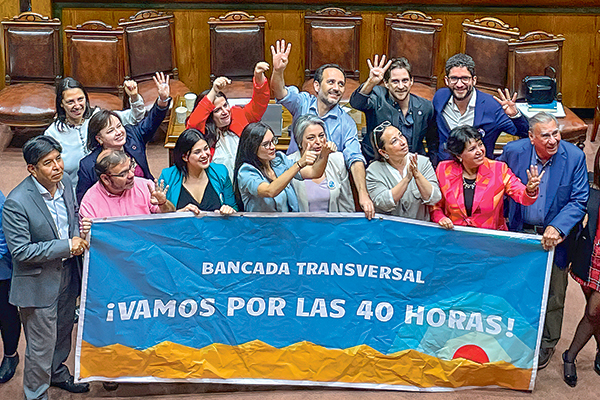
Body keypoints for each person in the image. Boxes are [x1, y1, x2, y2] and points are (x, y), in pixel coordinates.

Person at [497, 112, 589, 369]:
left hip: (555, 241)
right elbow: (498, 186)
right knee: (516, 287)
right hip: (519, 233)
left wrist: (558, 228)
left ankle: (547, 343)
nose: (553, 140)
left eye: (556, 133)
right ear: (531, 137)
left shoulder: (574, 157)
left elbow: (579, 199)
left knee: (554, 295)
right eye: (545, 135)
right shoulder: (514, 152)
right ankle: (513, 335)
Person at [2, 136, 90, 399]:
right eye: (48, 163)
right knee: (40, 346)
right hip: (37, 282)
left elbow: (71, 219)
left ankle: (57, 373)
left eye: (58, 159)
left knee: (64, 332)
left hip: (67, 273)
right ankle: (36, 393)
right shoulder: (17, 202)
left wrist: (78, 235)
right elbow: (21, 252)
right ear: (32, 168)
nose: (57, 167)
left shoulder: (64, 184)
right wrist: (67, 245)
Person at [270, 39, 375, 219]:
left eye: (341, 84)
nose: (337, 88)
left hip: (328, 186)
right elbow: (279, 92)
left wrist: (363, 194)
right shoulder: (302, 102)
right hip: (294, 176)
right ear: (317, 86)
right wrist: (278, 70)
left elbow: (355, 158)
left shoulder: (346, 122)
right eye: (331, 82)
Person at [76, 72, 172, 203]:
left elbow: (151, 121)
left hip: (146, 198)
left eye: (119, 126)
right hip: (112, 209)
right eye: (111, 131)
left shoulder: (132, 136)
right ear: (99, 138)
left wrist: (162, 99)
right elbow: (84, 200)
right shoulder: (88, 165)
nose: (119, 132)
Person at [431, 125, 541, 230]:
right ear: (459, 155)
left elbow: (521, 194)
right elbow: (435, 204)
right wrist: (440, 218)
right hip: (454, 238)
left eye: (480, 144)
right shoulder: (444, 169)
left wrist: (530, 190)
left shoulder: (499, 169)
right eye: (472, 149)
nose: (479, 151)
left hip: (489, 240)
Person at [44, 76, 146, 187]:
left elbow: (135, 117)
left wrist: (134, 97)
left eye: (80, 99)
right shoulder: (52, 134)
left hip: (111, 186)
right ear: (61, 103)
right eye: (70, 102)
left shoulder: (97, 117)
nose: (77, 106)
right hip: (75, 192)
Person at [432, 53, 529, 162]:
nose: (459, 84)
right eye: (454, 78)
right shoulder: (439, 97)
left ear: (474, 80)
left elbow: (524, 133)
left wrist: (515, 115)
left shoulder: (492, 106)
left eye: (465, 78)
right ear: (446, 80)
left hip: (479, 171)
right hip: (445, 169)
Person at [186, 62, 271, 180]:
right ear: (209, 116)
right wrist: (213, 91)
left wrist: (258, 77)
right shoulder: (202, 131)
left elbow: (259, 104)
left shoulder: (238, 114)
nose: (225, 111)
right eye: (217, 110)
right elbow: (194, 122)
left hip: (247, 179)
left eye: (225, 105)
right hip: (217, 184)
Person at [349, 55, 437, 163]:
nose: (401, 86)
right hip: (378, 162)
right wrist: (371, 82)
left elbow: (433, 142)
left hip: (412, 163)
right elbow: (356, 103)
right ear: (386, 83)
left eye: (405, 80)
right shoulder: (377, 97)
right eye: (395, 81)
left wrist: (432, 166)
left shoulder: (425, 107)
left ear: (411, 81)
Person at [234, 122, 335, 212]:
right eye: (266, 144)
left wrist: (324, 155)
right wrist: (298, 164)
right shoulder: (246, 171)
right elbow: (270, 191)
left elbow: (314, 172)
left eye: (273, 141)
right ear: (253, 147)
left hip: (288, 226)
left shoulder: (279, 160)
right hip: (262, 230)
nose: (273, 147)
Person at [561, 156, 600, 387]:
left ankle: (570, 356)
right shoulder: (589, 185)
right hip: (590, 257)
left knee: (594, 312)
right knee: (596, 312)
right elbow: (577, 223)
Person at [366, 121, 441, 221]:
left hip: (419, 231)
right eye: (394, 141)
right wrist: (407, 179)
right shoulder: (374, 171)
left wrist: (417, 175)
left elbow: (434, 198)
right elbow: (384, 204)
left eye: (401, 135)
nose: (403, 142)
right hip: (389, 231)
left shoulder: (422, 162)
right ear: (383, 152)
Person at [159, 129, 237, 214]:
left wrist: (229, 210)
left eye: (206, 149)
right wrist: (180, 213)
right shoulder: (167, 176)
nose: (204, 155)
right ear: (185, 157)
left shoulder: (221, 172)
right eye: (197, 152)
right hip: (182, 226)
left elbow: (234, 207)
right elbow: (161, 217)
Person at [79, 150, 175, 219]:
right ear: (105, 179)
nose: (131, 175)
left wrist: (163, 203)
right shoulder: (89, 203)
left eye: (131, 167)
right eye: (123, 174)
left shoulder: (146, 186)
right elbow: (88, 240)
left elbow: (171, 217)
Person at [287, 115, 354, 213]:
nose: (318, 142)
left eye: (321, 136)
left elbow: (346, 204)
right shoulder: (289, 163)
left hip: (332, 226)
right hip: (300, 225)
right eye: (311, 138)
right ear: (299, 142)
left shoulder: (337, 159)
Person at [0, 190, 20, 384]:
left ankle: (10, 355)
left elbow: (4, 239)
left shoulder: (1, 201)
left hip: (1, 269)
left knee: (5, 313)